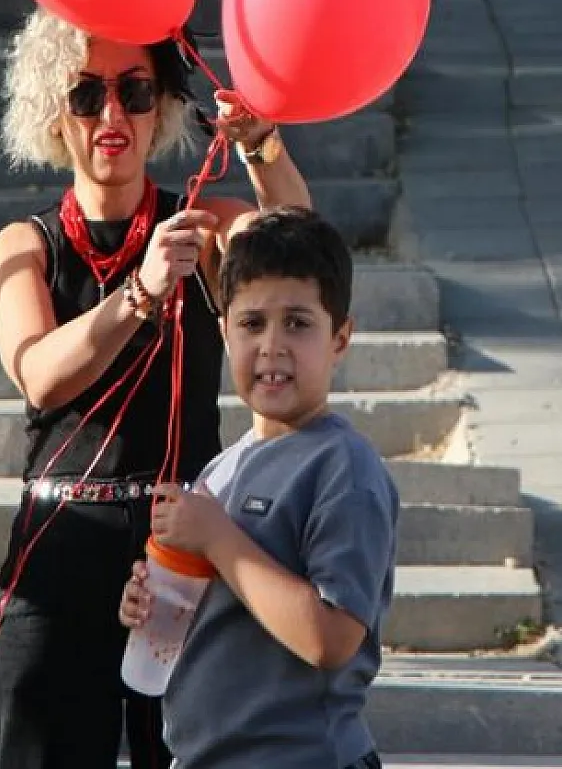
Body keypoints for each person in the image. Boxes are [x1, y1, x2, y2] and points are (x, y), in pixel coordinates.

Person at [0, 8, 313, 769]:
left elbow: (301, 259)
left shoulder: (205, 226)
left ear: (162, 105)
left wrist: (261, 143)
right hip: (63, 537)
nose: (113, 115)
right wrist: (139, 292)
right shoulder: (25, 245)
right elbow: (38, 371)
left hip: (183, 536)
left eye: (135, 90)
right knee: (27, 736)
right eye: (86, 95)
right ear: (52, 112)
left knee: (194, 750)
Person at [119, 206, 400, 769]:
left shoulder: (343, 468)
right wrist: (150, 599)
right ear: (223, 332)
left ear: (340, 337)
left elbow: (331, 639)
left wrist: (219, 539)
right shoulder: (220, 471)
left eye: (298, 323)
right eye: (252, 324)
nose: (272, 346)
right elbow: (210, 609)